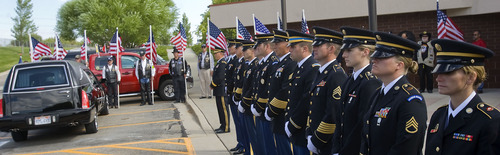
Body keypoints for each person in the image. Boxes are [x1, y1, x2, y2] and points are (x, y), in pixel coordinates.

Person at [425, 39, 499, 155]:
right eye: (438, 73)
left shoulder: (490, 121)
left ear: (471, 77)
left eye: (448, 72)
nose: (438, 78)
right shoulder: (438, 116)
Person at [360, 32, 427, 155]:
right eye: (375, 56)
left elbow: (405, 148)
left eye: (382, 57)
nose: (374, 60)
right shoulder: (377, 94)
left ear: (399, 65)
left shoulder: (410, 99)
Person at [331, 26, 381, 155]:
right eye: (344, 50)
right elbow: (340, 119)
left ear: (365, 52)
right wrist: (336, 148)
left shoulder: (370, 82)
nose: (344, 55)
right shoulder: (350, 79)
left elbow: (361, 126)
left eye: (349, 50)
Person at [306, 26, 347, 154]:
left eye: (319, 45)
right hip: (317, 140)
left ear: (331, 49)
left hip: (327, 143)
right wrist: (309, 133)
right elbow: (313, 106)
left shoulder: (336, 74)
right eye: (314, 45)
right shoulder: (321, 72)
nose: (314, 48)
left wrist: (317, 140)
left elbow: (333, 113)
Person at [284, 29, 319, 155]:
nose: (289, 50)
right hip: (296, 131)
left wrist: (292, 125)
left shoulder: (312, 68)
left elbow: (306, 101)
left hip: (302, 129)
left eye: (293, 47)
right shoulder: (299, 68)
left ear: (304, 49)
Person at [265, 29, 296, 155]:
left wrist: (271, 109)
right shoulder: (280, 63)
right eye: (274, 42)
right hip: (277, 117)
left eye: (278, 42)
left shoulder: (290, 63)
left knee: (286, 149)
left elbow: (285, 91)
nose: (275, 45)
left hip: (282, 114)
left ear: (288, 44)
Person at [251, 33, 279, 155]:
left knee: (270, 147)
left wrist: (259, 106)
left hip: (267, 110)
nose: (255, 48)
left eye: (258, 46)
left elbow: (269, 89)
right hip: (260, 110)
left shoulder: (273, 63)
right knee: (263, 145)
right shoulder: (262, 63)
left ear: (267, 46)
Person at [237, 40, 260, 154]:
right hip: (245, 103)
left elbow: (252, 87)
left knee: (253, 134)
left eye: (245, 50)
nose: (243, 52)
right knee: (247, 131)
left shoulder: (255, 65)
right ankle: (247, 151)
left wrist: (244, 102)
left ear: (252, 50)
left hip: (250, 105)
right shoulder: (249, 65)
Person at [228, 39, 247, 154]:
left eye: (237, 47)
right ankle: (240, 142)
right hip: (234, 96)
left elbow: (242, 83)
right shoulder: (238, 62)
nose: (235, 49)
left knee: (241, 123)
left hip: (240, 98)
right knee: (237, 122)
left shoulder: (243, 62)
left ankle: (243, 144)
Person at [211, 47, 230, 134]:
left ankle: (226, 127)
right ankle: (222, 125)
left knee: (224, 109)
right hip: (218, 89)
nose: (215, 55)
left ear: (221, 53)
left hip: (221, 89)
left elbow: (220, 77)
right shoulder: (219, 63)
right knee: (220, 109)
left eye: (216, 53)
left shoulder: (222, 63)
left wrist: (213, 84)